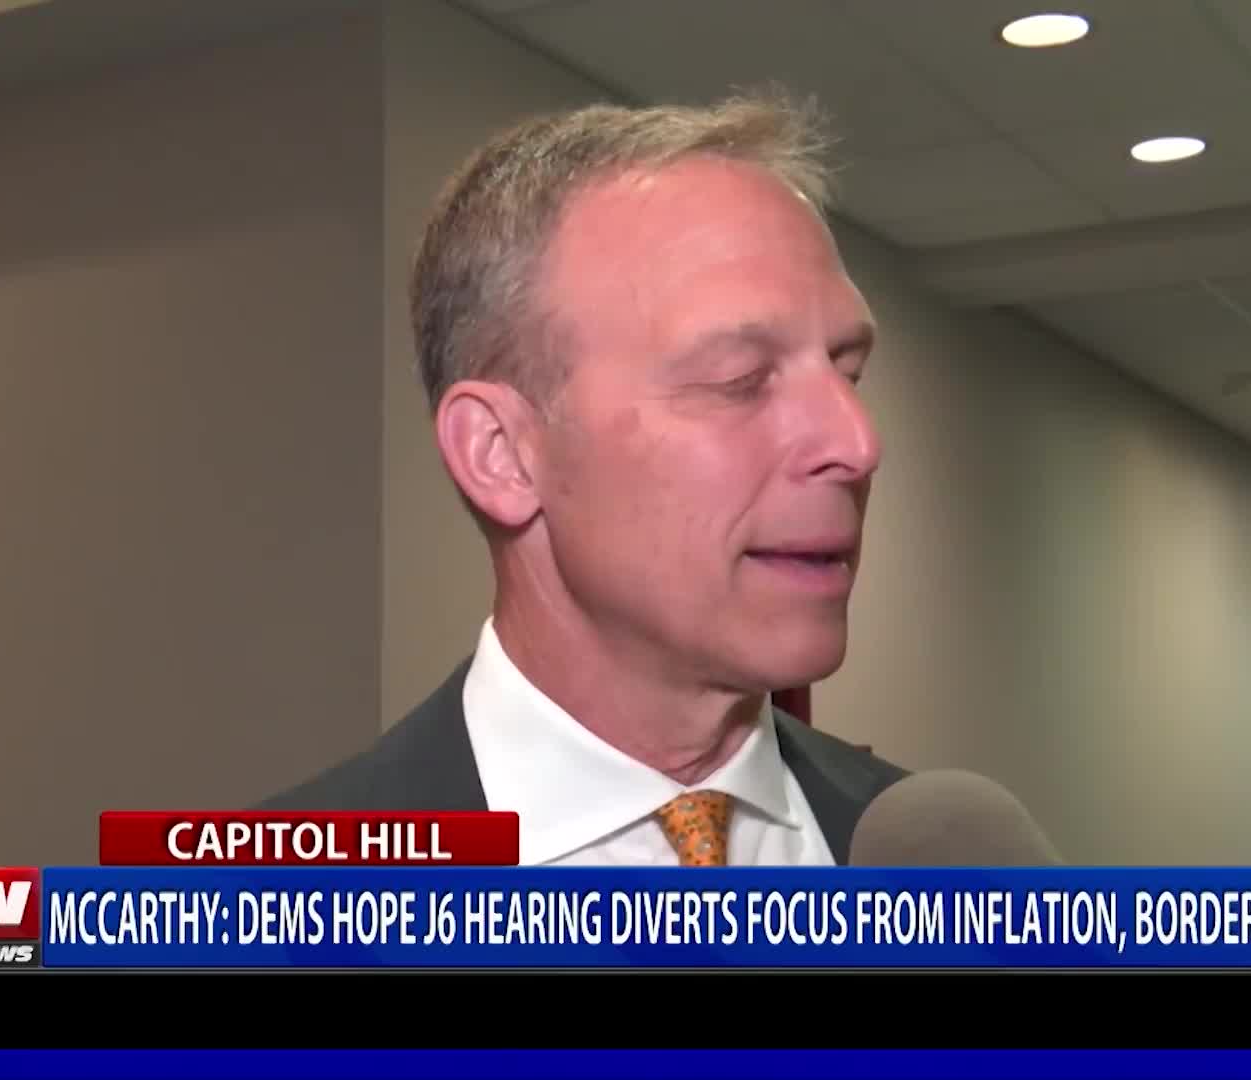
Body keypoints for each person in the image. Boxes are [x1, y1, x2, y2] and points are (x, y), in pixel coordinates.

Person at [260, 90, 908, 866]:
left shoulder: (945, 866)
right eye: (739, 379)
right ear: (501, 453)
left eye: (849, 373)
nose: (856, 443)